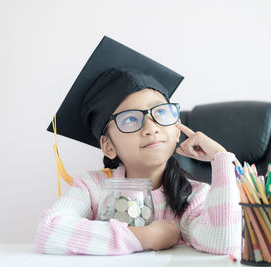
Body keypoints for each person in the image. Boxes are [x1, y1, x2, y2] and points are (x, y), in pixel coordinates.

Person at [35, 36, 241, 256]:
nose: (151, 128)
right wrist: (144, 237)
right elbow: (49, 231)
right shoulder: (92, 187)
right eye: (131, 119)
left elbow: (223, 243)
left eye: (161, 112)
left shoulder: (192, 195)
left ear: (176, 129)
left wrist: (221, 157)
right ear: (108, 146)